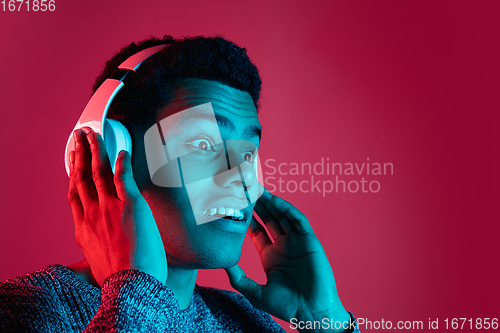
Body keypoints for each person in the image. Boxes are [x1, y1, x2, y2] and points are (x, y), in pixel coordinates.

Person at [0, 35, 360, 332]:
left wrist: (326, 322)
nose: (240, 179)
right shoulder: (23, 312)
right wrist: (135, 293)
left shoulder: (247, 322)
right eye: (203, 146)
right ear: (111, 155)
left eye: (248, 153)